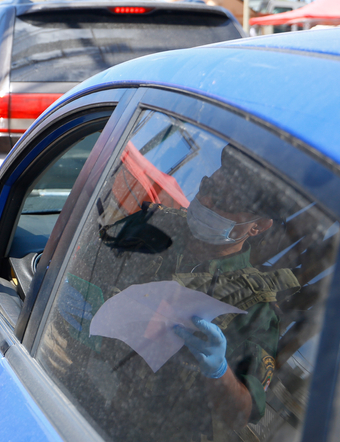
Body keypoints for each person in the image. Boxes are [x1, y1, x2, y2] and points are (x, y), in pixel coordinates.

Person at [67, 145, 299, 441]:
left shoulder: (255, 310)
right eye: (209, 186)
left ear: (258, 226)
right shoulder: (154, 225)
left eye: (225, 201)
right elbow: (83, 264)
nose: (206, 200)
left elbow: (242, 412)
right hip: (77, 394)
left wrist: (219, 371)